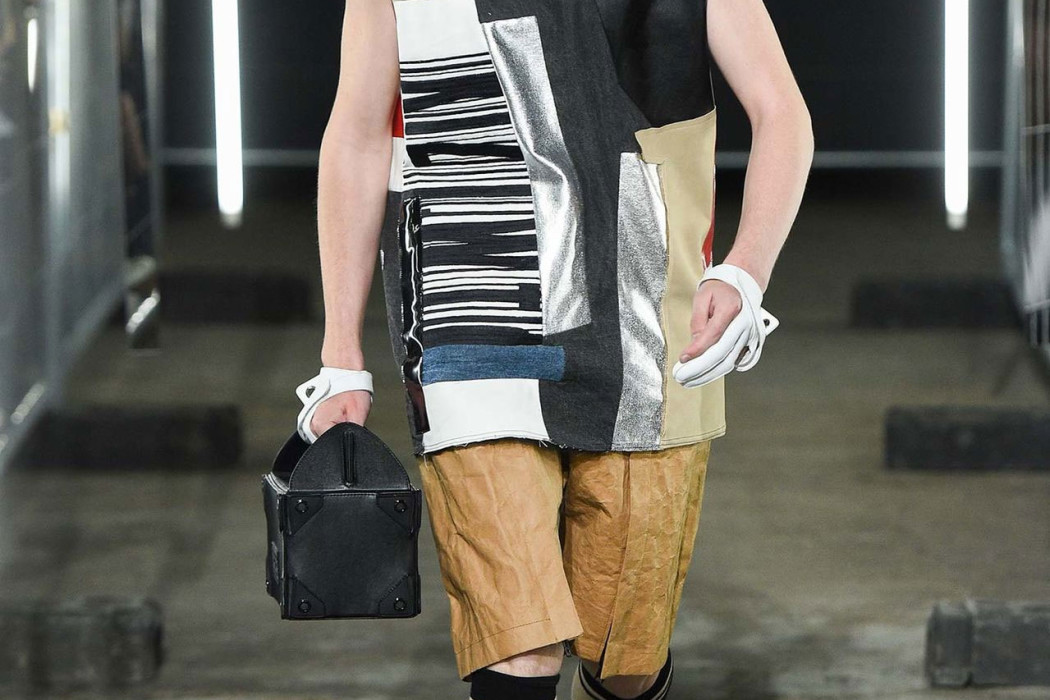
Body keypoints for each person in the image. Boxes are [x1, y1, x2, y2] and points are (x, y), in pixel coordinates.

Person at [296, 0, 813, 697]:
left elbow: (781, 110)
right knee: (520, 642)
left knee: (624, 657)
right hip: (469, 305)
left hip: (646, 316)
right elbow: (358, 135)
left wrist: (747, 269)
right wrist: (340, 356)